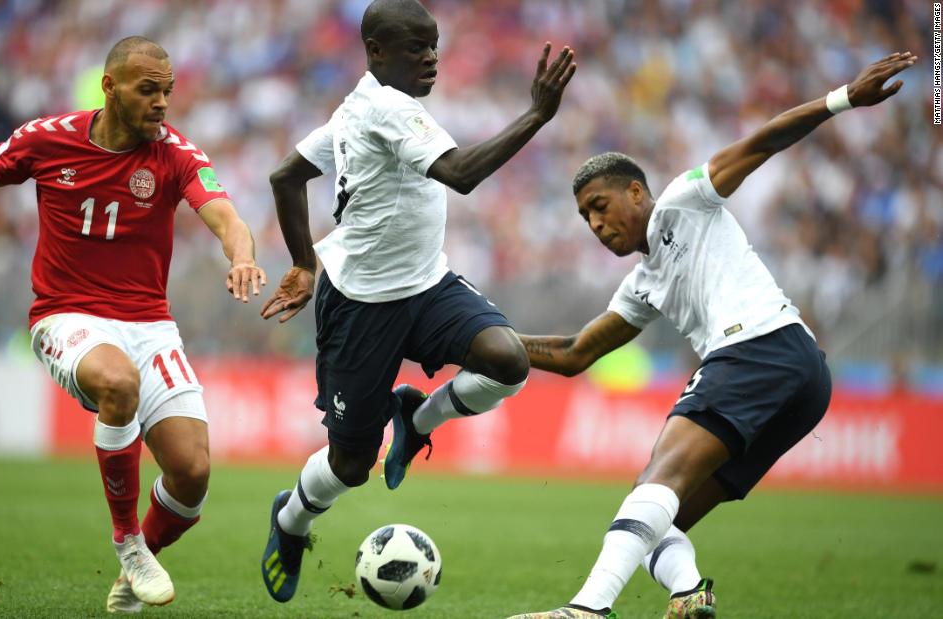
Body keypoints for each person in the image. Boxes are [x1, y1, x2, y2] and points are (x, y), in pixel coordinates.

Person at [0, 36, 266, 614]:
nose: (163, 103)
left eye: (167, 90)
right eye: (149, 90)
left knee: (192, 474)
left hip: (150, 326)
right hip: (66, 315)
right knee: (117, 384)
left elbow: (225, 214)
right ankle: (129, 543)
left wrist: (241, 255)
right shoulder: (46, 139)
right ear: (110, 88)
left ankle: (135, 565)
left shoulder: (175, 154)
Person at [507, 52, 917, 619]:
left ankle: (586, 610)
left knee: (654, 485)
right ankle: (690, 593)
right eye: (585, 219)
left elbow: (761, 143)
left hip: (757, 347)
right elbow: (577, 353)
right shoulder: (643, 284)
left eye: (600, 207)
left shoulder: (684, 200)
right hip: (802, 380)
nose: (597, 225)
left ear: (634, 192)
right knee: (653, 517)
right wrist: (479, 339)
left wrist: (844, 97)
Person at [257, 0, 575, 604]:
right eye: (414, 47)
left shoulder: (359, 109)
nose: (431, 57)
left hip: (427, 286)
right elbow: (459, 172)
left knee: (507, 360)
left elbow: (286, 176)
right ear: (376, 52)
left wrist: (303, 259)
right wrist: (537, 114)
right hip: (360, 307)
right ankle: (290, 520)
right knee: (351, 466)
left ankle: (416, 419)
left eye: (434, 44)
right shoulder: (387, 110)